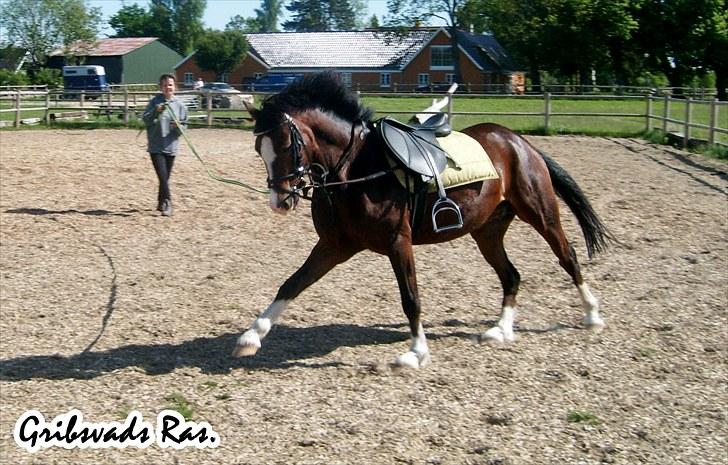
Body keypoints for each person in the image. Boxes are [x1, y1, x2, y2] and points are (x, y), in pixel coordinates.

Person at [142, 73, 188, 217]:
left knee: (165, 178)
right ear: (160, 87)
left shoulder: (181, 106)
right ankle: (168, 202)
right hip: (156, 146)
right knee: (162, 177)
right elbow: (145, 120)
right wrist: (155, 112)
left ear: (174, 86)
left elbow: (184, 128)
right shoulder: (154, 102)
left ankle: (160, 201)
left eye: (170, 84)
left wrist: (178, 127)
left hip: (171, 146)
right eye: (165, 85)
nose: (168, 87)